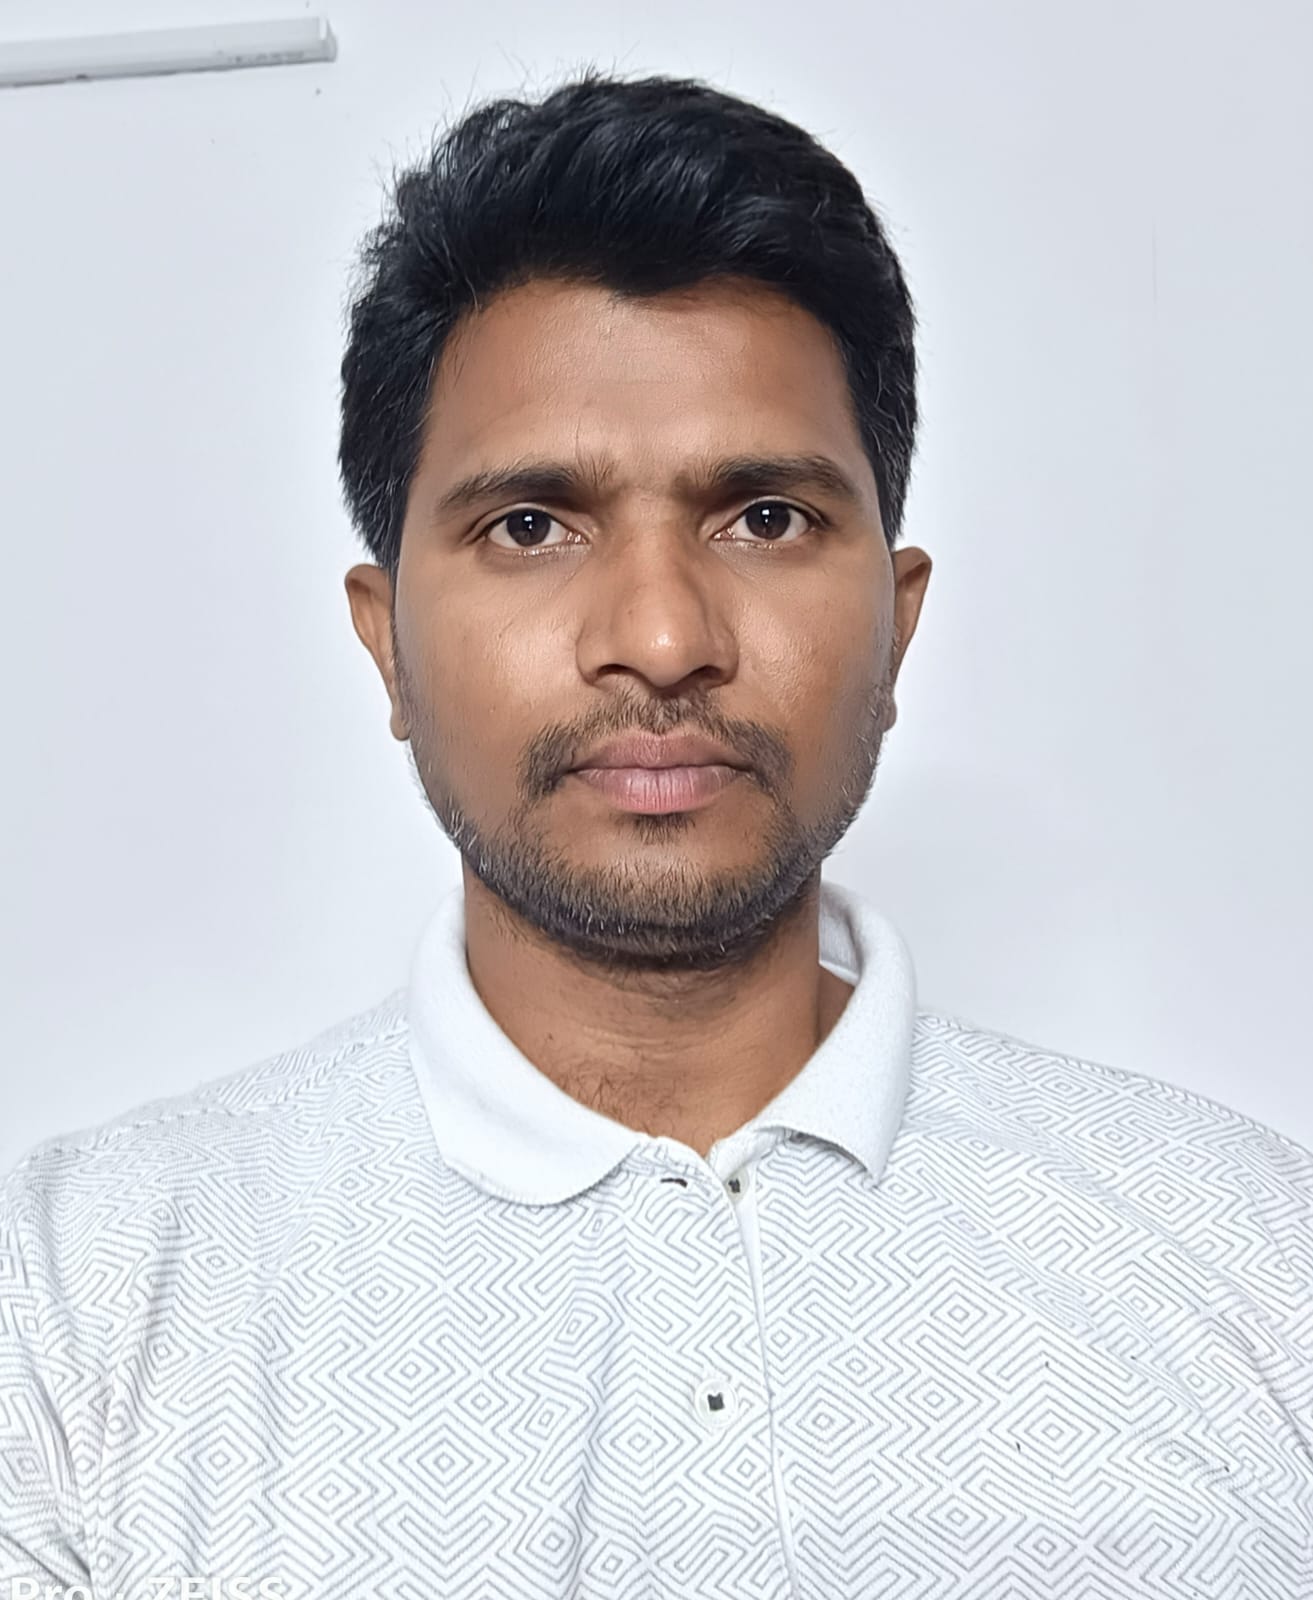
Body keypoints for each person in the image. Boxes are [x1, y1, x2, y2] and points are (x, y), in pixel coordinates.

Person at [2, 66, 1310, 1600]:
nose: (662, 638)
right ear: (385, 646)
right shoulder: (72, 1307)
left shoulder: (1255, 1253)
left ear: (895, 626)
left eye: (763, 516)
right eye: (530, 525)